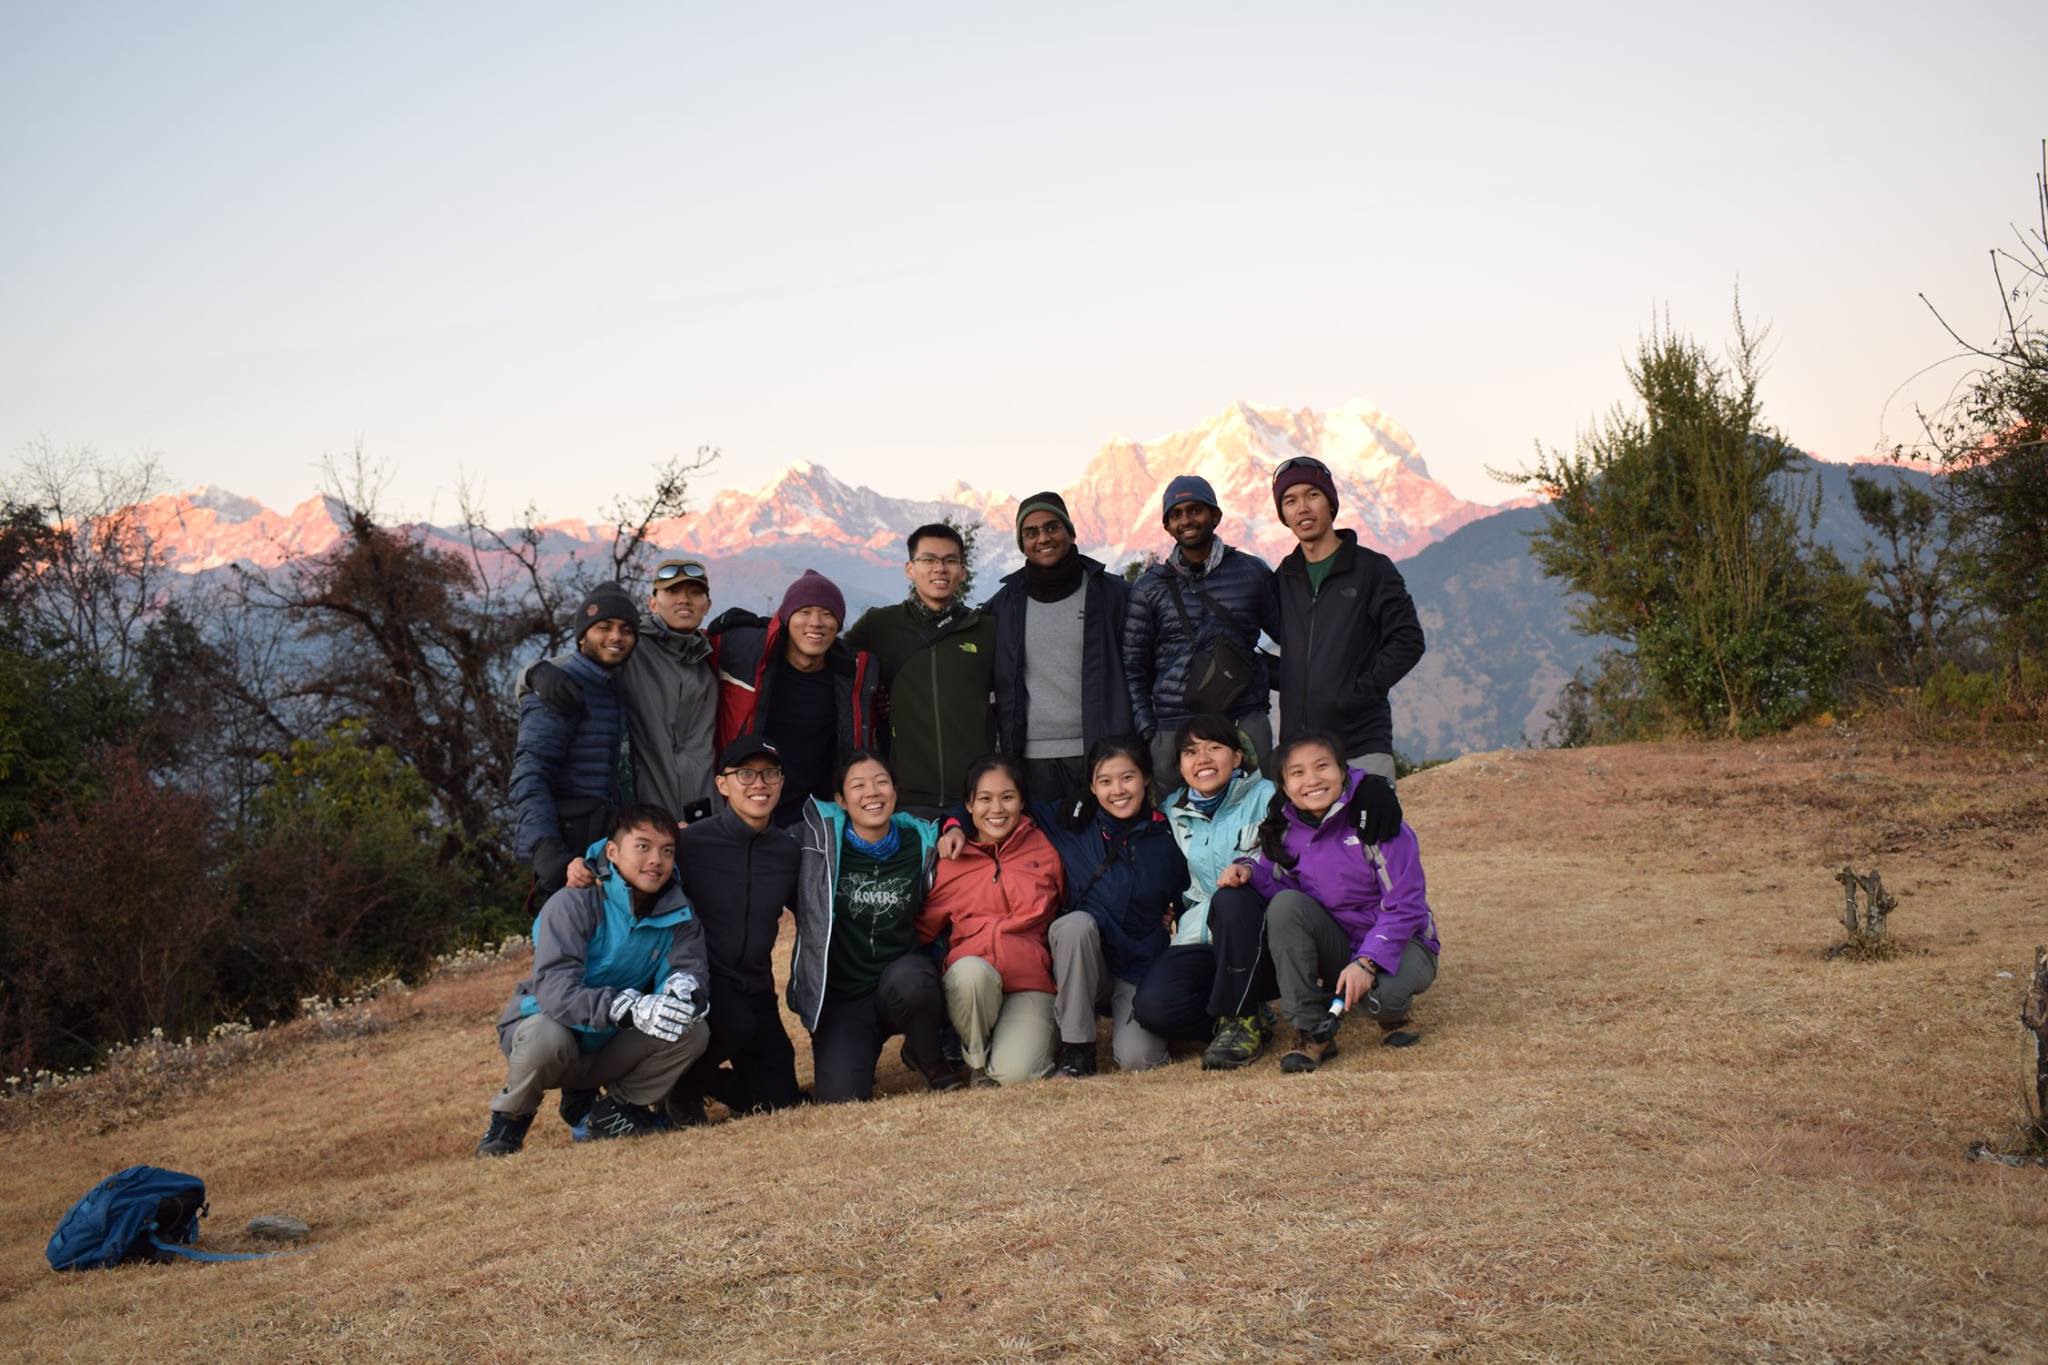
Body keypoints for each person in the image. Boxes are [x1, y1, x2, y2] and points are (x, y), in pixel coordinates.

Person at [477, 804, 712, 1155]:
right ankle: (509, 1123)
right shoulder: (573, 903)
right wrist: (625, 1007)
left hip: (609, 1044)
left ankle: (614, 1113)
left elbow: (688, 967)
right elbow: (555, 987)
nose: (656, 860)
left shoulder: (681, 912)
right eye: (643, 846)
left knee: (691, 1030)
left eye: (667, 851)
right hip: (551, 1033)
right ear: (613, 852)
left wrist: (684, 989)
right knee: (546, 1037)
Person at [1216, 732, 1440, 1073]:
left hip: (1404, 941)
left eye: (1323, 767)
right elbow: (1274, 882)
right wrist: (1245, 870)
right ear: (1284, 785)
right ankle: (1311, 1030)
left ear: (1342, 770)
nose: (1313, 780)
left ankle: (1393, 1016)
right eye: (1298, 773)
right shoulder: (1287, 831)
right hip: (1340, 942)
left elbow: (1406, 904)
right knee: (1286, 906)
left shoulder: (1376, 819)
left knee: (1381, 1000)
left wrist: (1367, 962)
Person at [790, 751, 966, 1102]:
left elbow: (970, 813)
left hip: (899, 982)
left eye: (881, 782)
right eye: (858, 786)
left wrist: (953, 824)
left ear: (895, 791)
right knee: (841, 1098)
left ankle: (928, 1057)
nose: (872, 792)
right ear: (840, 800)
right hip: (844, 998)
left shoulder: (921, 841)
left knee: (914, 979)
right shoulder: (816, 843)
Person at [1269, 455, 1424, 842]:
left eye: (1312, 495)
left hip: (1360, 743)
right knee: (1310, 865)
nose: (1302, 507)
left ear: (1331, 503)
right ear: (1283, 514)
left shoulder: (1372, 569)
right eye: (1290, 501)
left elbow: (1408, 640)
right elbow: (1294, 656)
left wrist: (1360, 691)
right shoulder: (1282, 579)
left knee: (1377, 850)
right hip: (1301, 754)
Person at [1131, 714, 1280, 1070]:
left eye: (1215, 748)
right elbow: (1170, 875)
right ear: (1180, 765)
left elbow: (1286, 859)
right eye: (1191, 752)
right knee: (1153, 1006)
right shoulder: (1173, 812)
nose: (1203, 760)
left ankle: (1240, 1016)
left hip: (1258, 930)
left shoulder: (1268, 797)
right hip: (1200, 930)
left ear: (1238, 757)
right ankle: (1239, 1023)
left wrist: (1249, 870)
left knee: (1232, 898)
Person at [666, 735, 803, 1121]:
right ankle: (682, 1091)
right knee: (734, 1023)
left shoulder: (787, 851)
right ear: (722, 784)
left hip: (757, 988)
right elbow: (633, 863)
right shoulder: (689, 843)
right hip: (705, 984)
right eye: (745, 774)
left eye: (769, 773)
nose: (759, 783)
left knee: (778, 1102)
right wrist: (585, 867)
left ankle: (711, 1085)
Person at [1041, 736, 1190, 1077]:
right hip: (1086, 964)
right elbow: (1001, 796)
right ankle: (1078, 1049)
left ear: (1146, 778)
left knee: (1138, 1059)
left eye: (1127, 777)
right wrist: (954, 825)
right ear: (1091, 787)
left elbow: (1188, 903)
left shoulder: (1168, 835)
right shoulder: (1072, 823)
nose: (1118, 790)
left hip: (1138, 965)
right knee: (1074, 924)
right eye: (1104, 781)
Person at [1122, 475, 1280, 795]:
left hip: (1243, 713)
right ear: (1167, 526)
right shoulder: (1149, 588)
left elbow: (1287, 634)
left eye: (1195, 510)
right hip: (1173, 723)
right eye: (1176, 514)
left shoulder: (1252, 573)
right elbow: (1133, 665)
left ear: (1215, 516)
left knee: (1262, 807)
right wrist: (1149, 730)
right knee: (1176, 822)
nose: (1186, 520)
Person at [915, 756, 1063, 1086]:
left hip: (1030, 985)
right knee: (970, 972)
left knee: (1017, 1075)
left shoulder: (1046, 849)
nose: (996, 808)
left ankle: (1014, 1052)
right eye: (984, 798)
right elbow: (922, 930)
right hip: (974, 987)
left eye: (1007, 797)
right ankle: (976, 1064)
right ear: (968, 805)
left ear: (1023, 801)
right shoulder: (951, 859)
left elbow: (1073, 905)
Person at [986, 492, 1133, 807]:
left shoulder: (1112, 595)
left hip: (1103, 752)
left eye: (1052, 527)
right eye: (1031, 532)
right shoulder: (1004, 605)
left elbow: (1140, 669)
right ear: (1022, 543)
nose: (1043, 538)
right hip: (1032, 758)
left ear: (1070, 531)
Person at [844, 523, 996, 816]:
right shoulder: (880, 626)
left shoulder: (985, 629)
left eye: (950, 560)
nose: (940, 569)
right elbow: (828, 658)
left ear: (962, 571)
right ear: (910, 569)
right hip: (905, 796)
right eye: (928, 560)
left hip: (974, 796)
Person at [707, 570, 879, 828]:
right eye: (804, 611)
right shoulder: (747, 658)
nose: (816, 622)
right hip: (748, 810)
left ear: (839, 624)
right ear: (786, 618)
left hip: (817, 819)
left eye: (828, 614)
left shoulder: (852, 678)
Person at [510, 581, 639, 902]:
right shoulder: (558, 688)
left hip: (603, 846)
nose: (615, 637)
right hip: (569, 852)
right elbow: (529, 774)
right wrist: (548, 851)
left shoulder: (613, 686)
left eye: (626, 629)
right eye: (603, 627)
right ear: (582, 635)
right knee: (568, 947)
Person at [620, 556, 720, 825]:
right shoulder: (629, 649)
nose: (684, 600)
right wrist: (534, 674)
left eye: (695, 592)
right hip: (646, 824)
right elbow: (574, 668)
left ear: (707, 605)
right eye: (672, 591)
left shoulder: (710, 660)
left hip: (705, 820)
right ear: (652, 602)